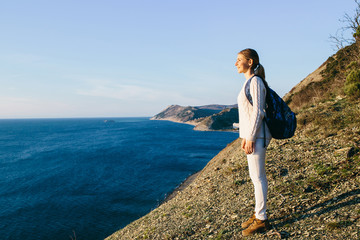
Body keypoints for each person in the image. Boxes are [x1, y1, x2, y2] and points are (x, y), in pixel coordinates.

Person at [235, 48, 272, 236]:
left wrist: (250, 137)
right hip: (252, 136)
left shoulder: (256, 81)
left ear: (250, 62)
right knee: (254, 177)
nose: (236, 63)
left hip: (257, 136)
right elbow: (248, 115)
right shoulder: (249, 83)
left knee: (258, 178)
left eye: (239, 60)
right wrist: (244, 137)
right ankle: (258, 213)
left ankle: (262, 219)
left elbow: (259, 112)